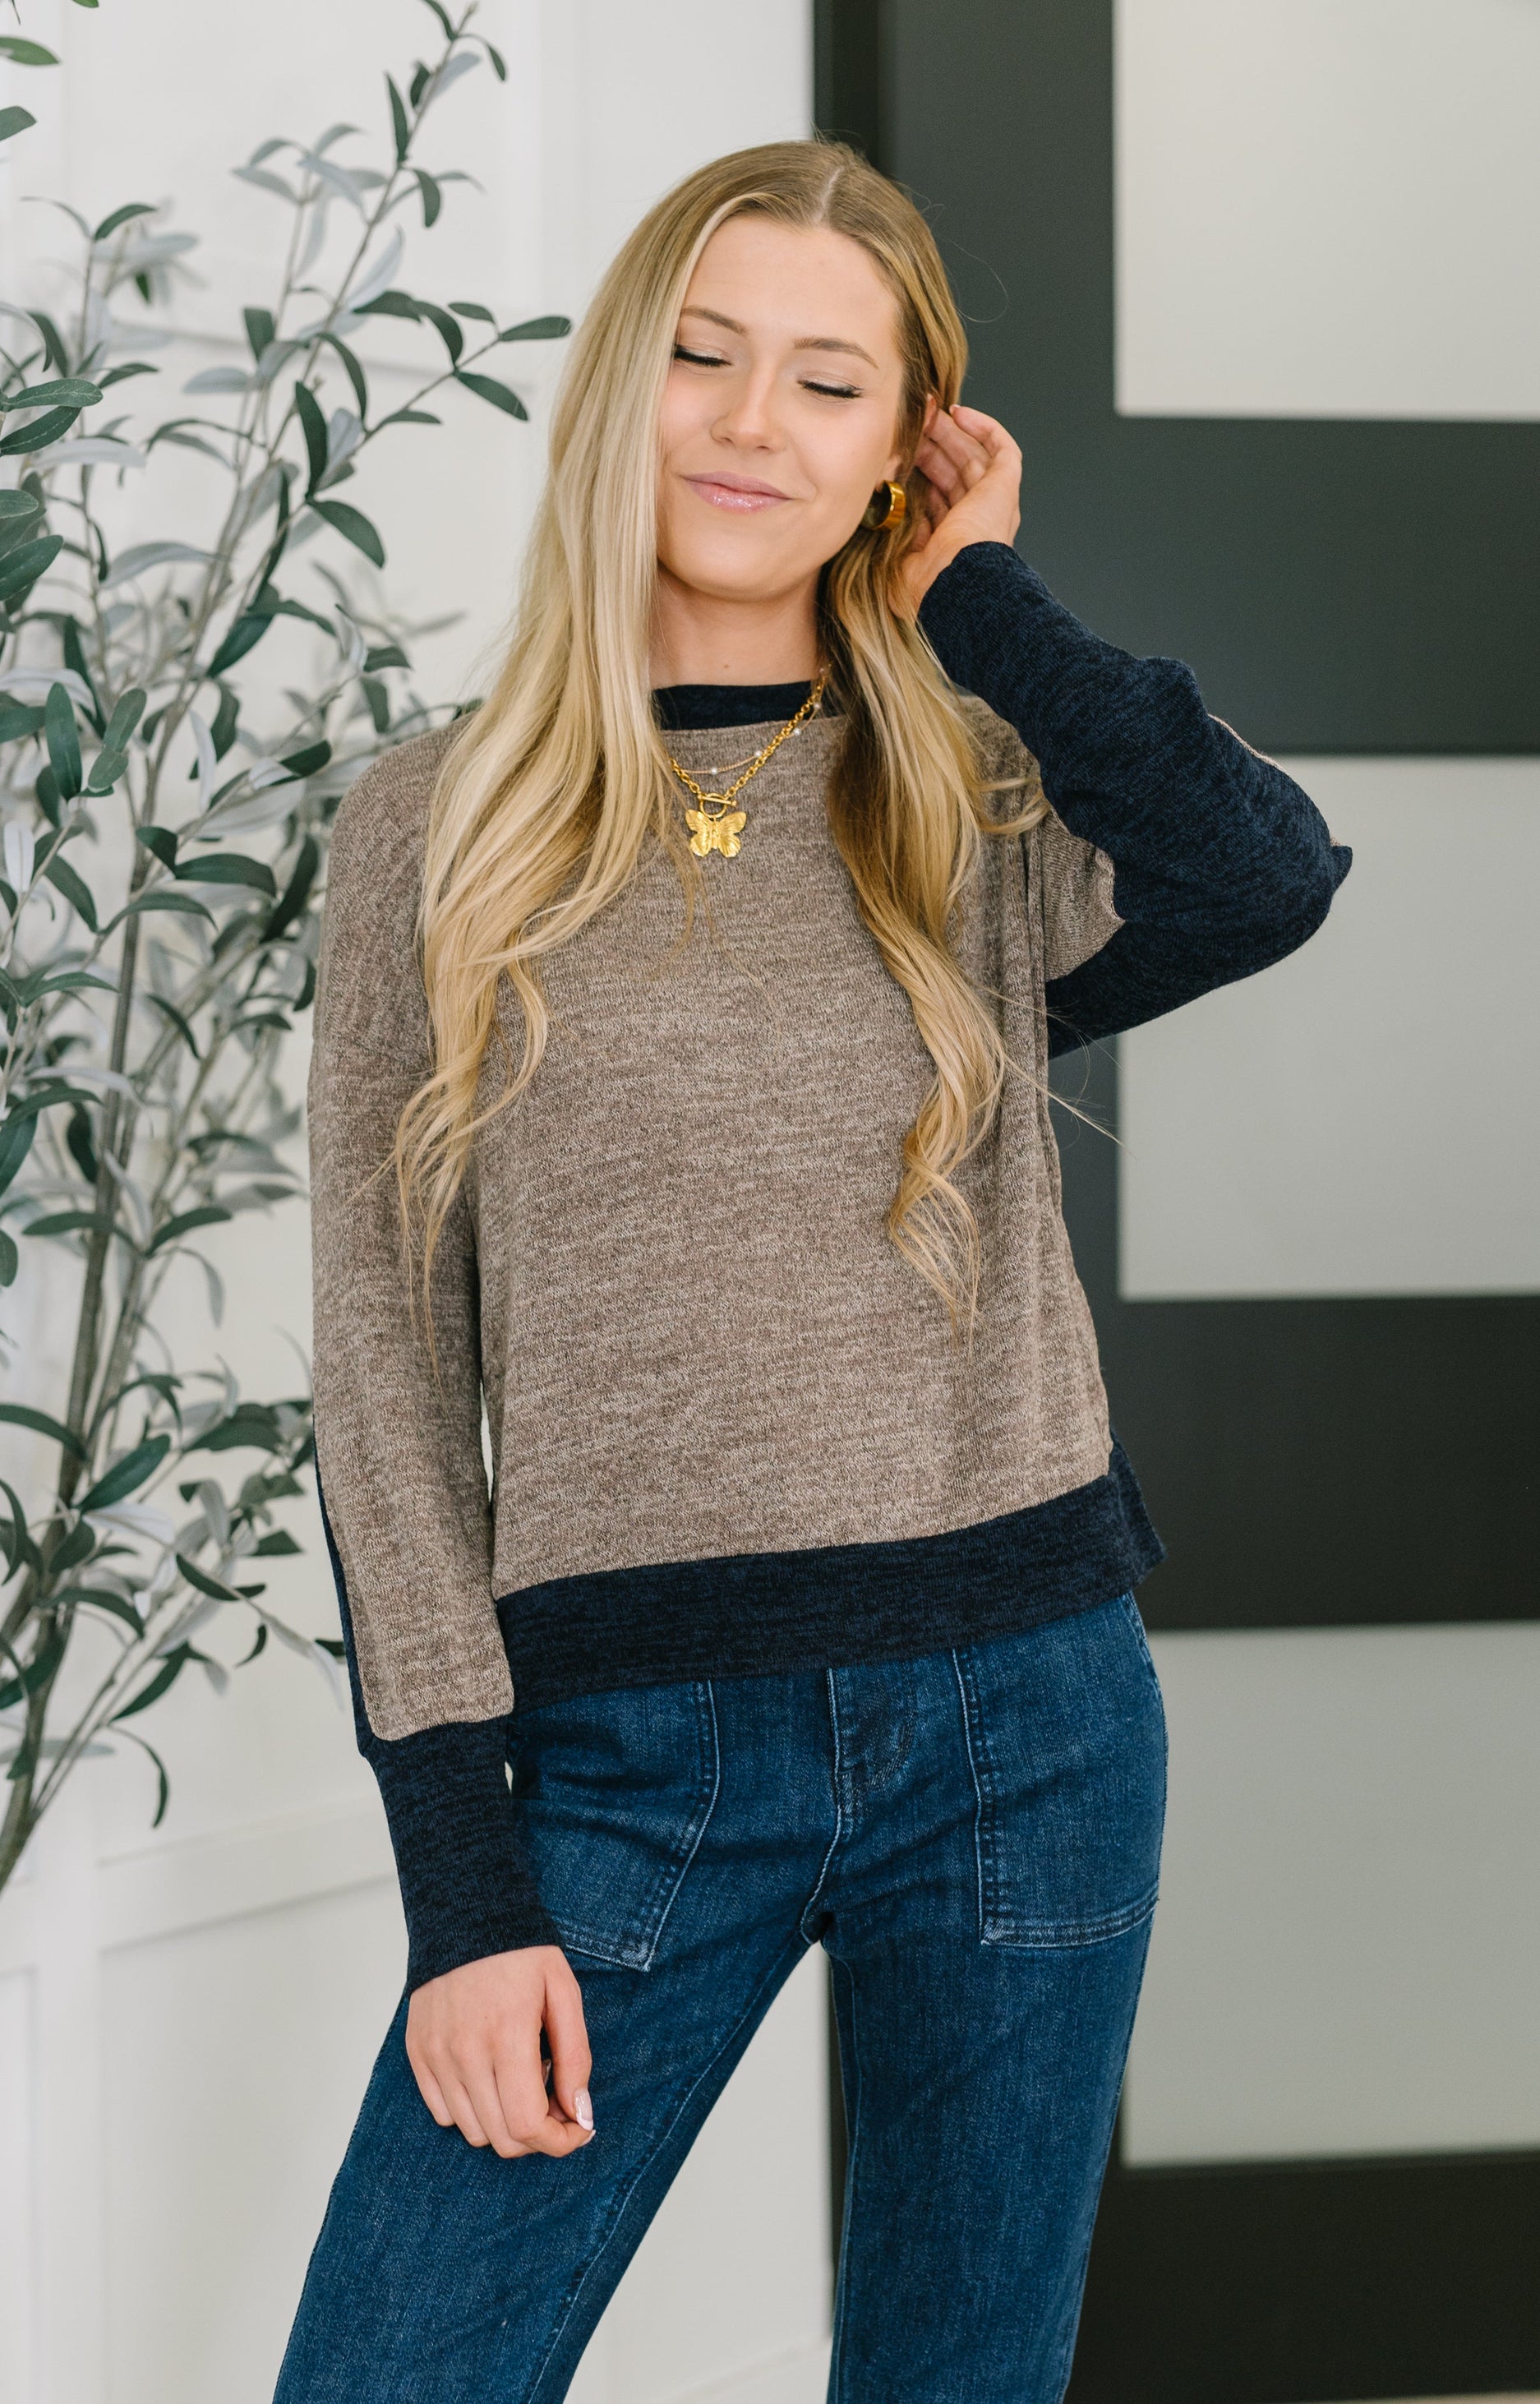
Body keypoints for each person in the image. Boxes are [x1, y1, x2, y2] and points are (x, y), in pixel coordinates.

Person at [274, 139, 1350, 2403]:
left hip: (1024, 1720)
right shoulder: (434, 828)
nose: (752, 423)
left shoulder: (974, 794)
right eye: (703, 354)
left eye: (829, 384)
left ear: (903, 453)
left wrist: (986, 599)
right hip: (628, 1759)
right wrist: (465, 1894)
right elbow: (382, 1380)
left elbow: (1262, 870)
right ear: (618, 385)